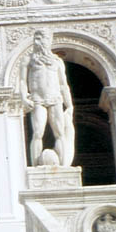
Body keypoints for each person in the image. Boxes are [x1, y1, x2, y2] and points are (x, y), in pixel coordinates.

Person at [20, 29, 74, 167]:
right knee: (38, 132)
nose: (38, 42)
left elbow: (63, 84)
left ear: (49, 41)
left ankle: (63, 166)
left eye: (42, 38)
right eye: (37, 38)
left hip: (55, 99)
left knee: (59, 132)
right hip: (38, 99)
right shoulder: (28, 59)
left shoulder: (57, 61)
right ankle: (36, 166)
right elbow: (22, 81)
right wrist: (24, 97)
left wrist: (69, 105)